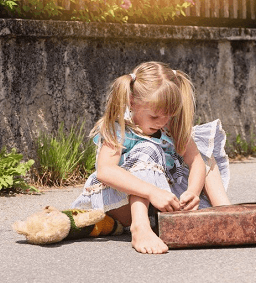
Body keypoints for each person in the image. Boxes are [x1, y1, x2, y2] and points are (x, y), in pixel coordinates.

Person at [71, 61, 231, 254]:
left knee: (205, 154)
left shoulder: (169, 125)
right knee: (148, 148)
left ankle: (226, 213)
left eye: (169, 116)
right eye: (155, 117)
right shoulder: (120, 127)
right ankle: (141, 227)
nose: (162, 122)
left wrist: (193, 192)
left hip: (160, 203)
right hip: (119, 202)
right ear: (132, 102)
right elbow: (105, 170)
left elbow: (195, 160)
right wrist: (151, 192)